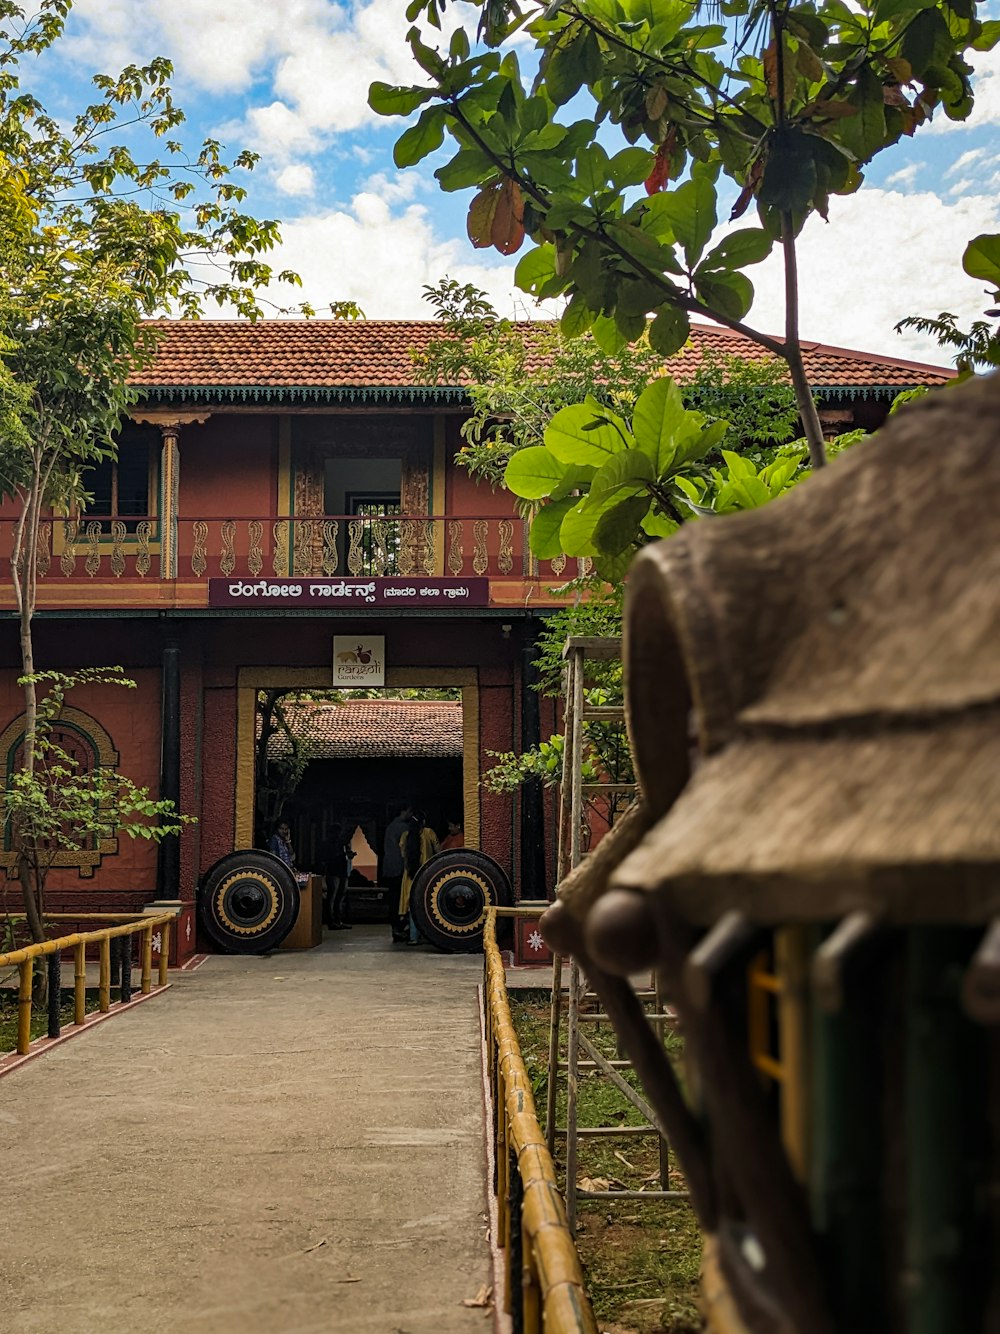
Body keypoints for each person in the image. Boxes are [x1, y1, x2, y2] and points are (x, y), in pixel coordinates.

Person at [399, 810, 440, 946]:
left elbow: (404, 856)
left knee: (412, 907)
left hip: (410, 875)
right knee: (427, 905)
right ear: (423, 822)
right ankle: (428, 936)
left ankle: (413, 937)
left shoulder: (405, 836)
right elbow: (439, 852)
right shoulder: (429, 833)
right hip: (426, 874)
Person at [383, 801, 412, 943]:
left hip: (389, 867)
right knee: (401, 900)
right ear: (404, 811)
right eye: (409, 811)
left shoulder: (390, 827)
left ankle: (396, 929)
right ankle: (401, 928)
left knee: (393, 899)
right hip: (400, 868)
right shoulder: (403, 828)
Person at [323, 822, 352, 930]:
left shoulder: (341, 843)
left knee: (339, 897)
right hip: (334, 871)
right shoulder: (330, 843)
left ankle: (338, 920)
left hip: (341, 871)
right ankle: (332, 921)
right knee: (333, 897)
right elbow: (329, 857)